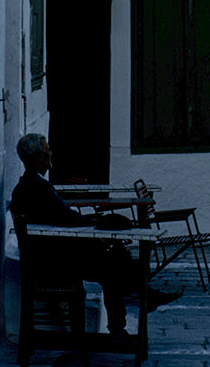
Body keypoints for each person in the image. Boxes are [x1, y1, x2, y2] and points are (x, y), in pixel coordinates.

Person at [10, 133, 180, 337]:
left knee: (115, 258)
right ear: (39, 158)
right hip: (54, 263)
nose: (51, 154)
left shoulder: (26, 186)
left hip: (50, 256)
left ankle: (135, 308)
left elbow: (62, 217)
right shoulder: (38, 187)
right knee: (114, 264)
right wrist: (97, 223)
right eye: (47, 151)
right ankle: (127, 318)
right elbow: (67, 217)